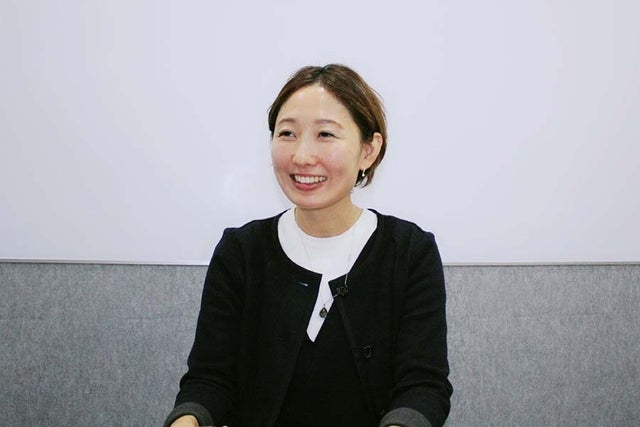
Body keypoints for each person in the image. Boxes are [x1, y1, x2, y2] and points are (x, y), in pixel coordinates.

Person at [164, 64, 452, 427]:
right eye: (287, 133)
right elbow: (209, 381)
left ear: (368, 150)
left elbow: (423, 387)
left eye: (325, 134)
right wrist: (188, 419)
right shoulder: (241, 251)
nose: (301, 156)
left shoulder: (409, 251)